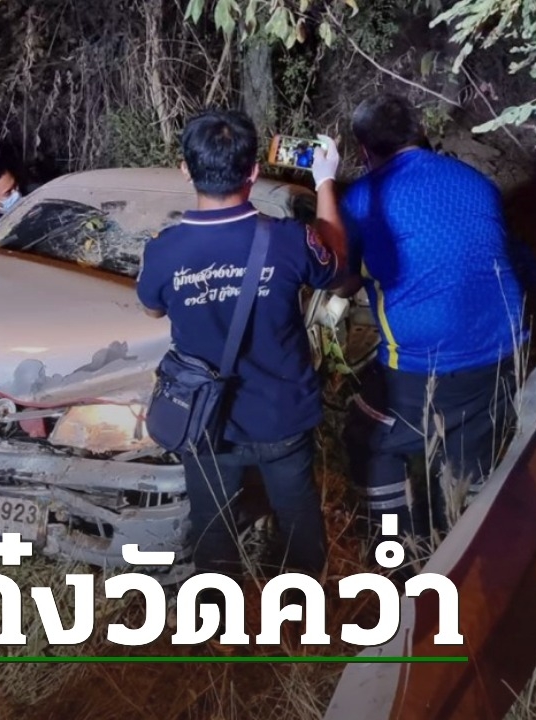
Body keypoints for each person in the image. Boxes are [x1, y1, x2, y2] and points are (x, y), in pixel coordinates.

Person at [136, 108, 350, 581]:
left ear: (186, 170)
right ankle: (302, 608)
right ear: (253, 172)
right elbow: (336, 266)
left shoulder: (164, 251)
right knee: (298, 518)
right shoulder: (291, 240)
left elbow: (152, 310)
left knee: (212, 527)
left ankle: (217, 615)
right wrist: (324, 181)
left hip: (205, 420)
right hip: (282, 414)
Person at [337, 93, 527, 548]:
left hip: (422, 366)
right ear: (419, 132)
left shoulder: (363, 198)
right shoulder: (476, 181)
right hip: (504, 351)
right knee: (468, 451)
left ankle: (395, 545)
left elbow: (342, 283)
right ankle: (470, 542)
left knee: (371, 439)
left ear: (363, 149)